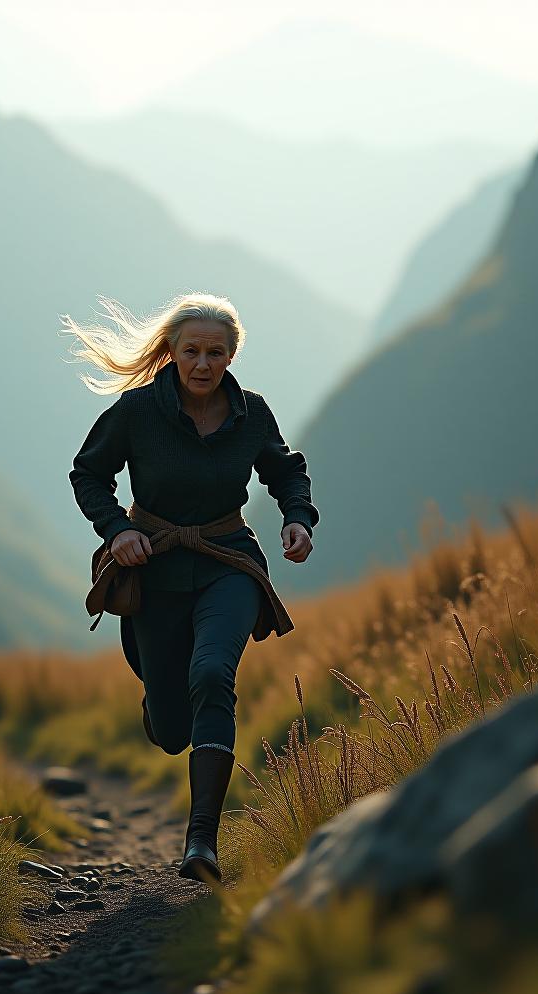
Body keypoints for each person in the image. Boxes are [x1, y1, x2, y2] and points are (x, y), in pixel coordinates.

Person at [65, 292, 318, 883]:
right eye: (192, 351)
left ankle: (201, 843)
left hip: (230, 562)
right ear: (171, 353)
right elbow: (89, 474)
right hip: (153, 569)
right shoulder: (135, 412)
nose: (203, 364)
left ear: (232, 355)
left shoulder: (251, 413)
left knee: (212, 675)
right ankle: (160, 704)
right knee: (174, 728)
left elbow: (285, 470)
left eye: (216, 352)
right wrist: (118, 529)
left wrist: (297, 516)